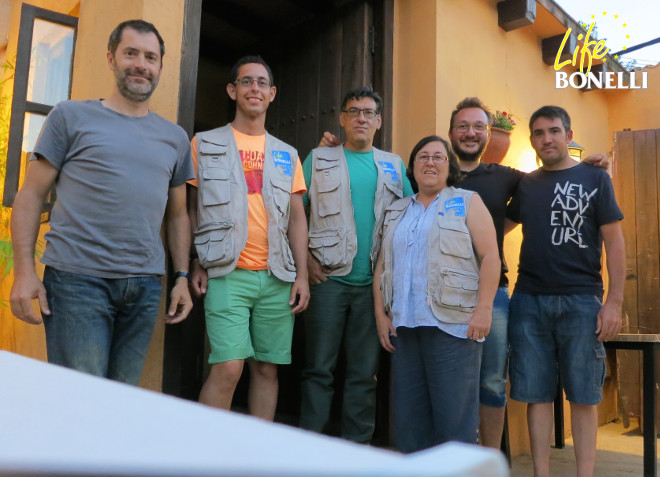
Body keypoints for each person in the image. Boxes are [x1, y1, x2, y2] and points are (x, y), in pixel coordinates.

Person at [9, 20, 194, 385]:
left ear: (160, 66)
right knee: (81, 401)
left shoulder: (175, 138)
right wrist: (25, 271)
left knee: (119, 404)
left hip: (144, 287)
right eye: (131, 53)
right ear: (111, 58)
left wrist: (182, 277)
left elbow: (177, 216)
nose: (141, 64)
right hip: (78, 282)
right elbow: (29, 195)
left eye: (151, 57)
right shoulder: (70, 116)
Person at [447, 97, 610, 449]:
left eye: (479, 126)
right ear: (451, 133)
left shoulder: (508, 177)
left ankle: (487, 464)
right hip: (441, 293)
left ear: (489, 134)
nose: (471, 133)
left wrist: (592, 164)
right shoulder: (432, 170)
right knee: (448, 380)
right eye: (463, 126)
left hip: (496, 294)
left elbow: (552, 178)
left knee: (492, 381)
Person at [189, 56, 309, 421]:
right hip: (228, 271)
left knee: (267, 369)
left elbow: (298, 218)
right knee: (228, 367)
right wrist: (196, 260)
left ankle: (257, 457)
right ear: (232, 90)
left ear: (272, 94)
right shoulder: (205, 143)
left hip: (277, 276)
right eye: (246, 82)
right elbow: (193, 209)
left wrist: (302, 275)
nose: (253, 88)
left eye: (261, 83)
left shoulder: (288, 154)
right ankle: (202, 453)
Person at [506, 106, 624, 477]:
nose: (547, 139)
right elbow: (495, 226)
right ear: (533, 141)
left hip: (582, 300)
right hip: (528, 300)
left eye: (554, 131)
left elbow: (615, 242)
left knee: (584, 396)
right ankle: (542, 473)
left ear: (568, 136)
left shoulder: (596, 178)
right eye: (539, 133)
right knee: (536, 394)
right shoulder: (527, 184)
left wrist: (614, 303)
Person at [300, 86, 414, 443]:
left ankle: (356, 452)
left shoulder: (394, 165)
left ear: (379, 121)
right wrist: (304, 258)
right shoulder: (318, 158)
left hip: (373, 290)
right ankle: (310, 450)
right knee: (319, 370)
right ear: (343, 119)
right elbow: (290, 214)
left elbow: (413, 212)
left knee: (364, 375)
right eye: (354, 111)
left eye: (368, 112)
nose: (361, 118)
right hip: (327, 282)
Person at [372, 135, 500, 453]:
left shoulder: (468, 201)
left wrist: (484, 310)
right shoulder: (396, 210)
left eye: (438, 157)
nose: (430, 162)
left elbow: (491, 258)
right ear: (412, 168)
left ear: (449, 166)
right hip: (405, 328)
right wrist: (380, 315)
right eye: (422, 157)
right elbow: (381, 267)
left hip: (454, 327)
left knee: (454, 423)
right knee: (408, 424)